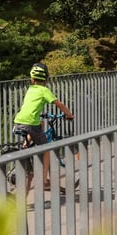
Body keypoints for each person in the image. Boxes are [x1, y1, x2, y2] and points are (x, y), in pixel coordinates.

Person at [13, 62, 74, 191]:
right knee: (46, 150)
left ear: (32, 79)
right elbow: (58, 103)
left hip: (19, 121)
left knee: (39, 123)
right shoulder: (44, 90)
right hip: (30, 124)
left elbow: (31, 108)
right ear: (46, 79)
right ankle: (44, 181)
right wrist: (69, 114)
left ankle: (25, 145)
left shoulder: (30, 89)